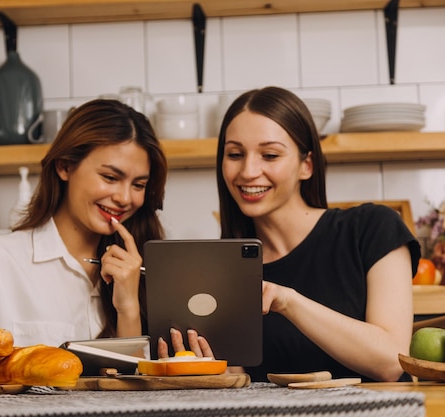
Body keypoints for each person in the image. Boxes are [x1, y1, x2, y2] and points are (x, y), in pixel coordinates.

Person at [164, 86, 421, 382]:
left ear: (306, 165)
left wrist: (289, 302)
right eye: (235, 154)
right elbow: (242, 388)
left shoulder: (372, 228)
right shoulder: (221, 273)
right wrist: (218, 371)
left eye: (270, 155)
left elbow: (392, 362)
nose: (248, 171)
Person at [0, 99, 168, 348]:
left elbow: (141, 384)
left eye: (139, 185)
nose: (124, 198)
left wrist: (128, 310)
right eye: (110, 177)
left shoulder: (149, 273)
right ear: (64, 166)